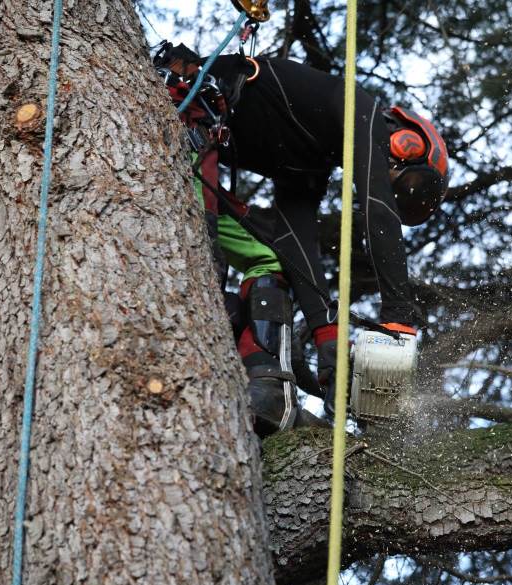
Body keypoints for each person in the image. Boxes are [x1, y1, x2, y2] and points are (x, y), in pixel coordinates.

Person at [155, 44, 449, 436]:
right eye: (402, 179)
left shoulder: (310, 161)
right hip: (183, 121)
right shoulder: (358, 107)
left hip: (189, 161)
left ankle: (266, 389)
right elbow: (378, 208)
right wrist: (399, 318)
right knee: (201, 256)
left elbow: (296, 244)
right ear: (405, 143)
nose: (389, 181)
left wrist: (329, 342)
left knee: (269, 262)